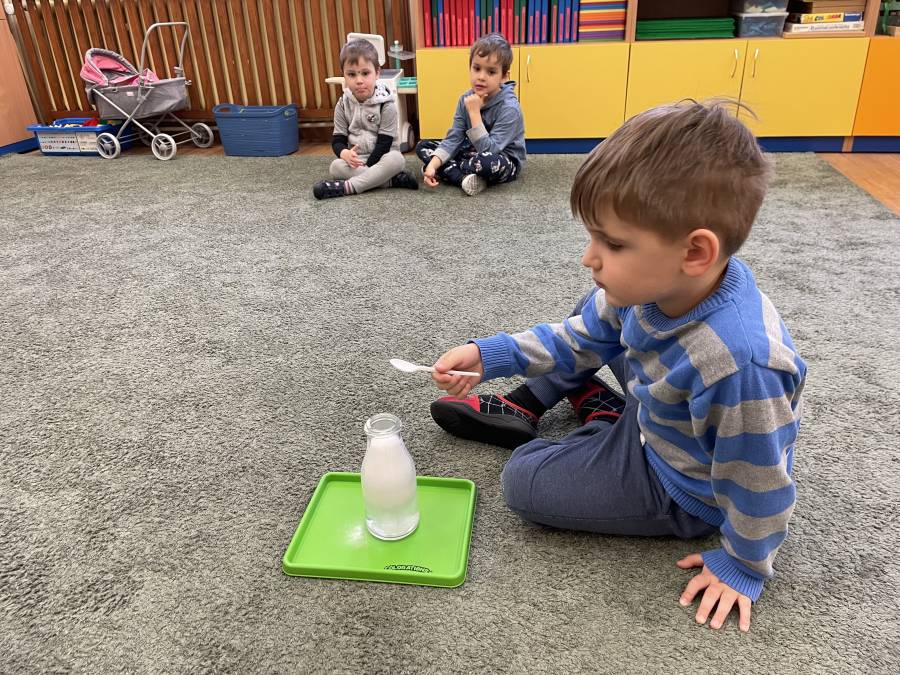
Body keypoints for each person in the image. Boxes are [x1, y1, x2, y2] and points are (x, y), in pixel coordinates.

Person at [428, 100, 806, 633]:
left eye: (612, 243)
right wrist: (492, 355)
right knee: (595, 311)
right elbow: (577, 337)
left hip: (680, 482)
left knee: (522, 481)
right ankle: (536, 402)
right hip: (664, 409)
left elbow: (758, 479)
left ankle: (602, 416)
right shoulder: (656, 288)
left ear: (695, 252)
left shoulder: (740, 368)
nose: (589, 256)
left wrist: (744, 565)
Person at [416, 33, 525, 197]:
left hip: (501, 159)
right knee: (423, 146)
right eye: (477, 68)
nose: (481, 77)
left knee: (486, 162)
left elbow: (490, 150)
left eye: (491, 72)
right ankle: (464, 178)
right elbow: (454, 138)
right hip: (471, 153)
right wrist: (433, 164)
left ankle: (452, 171)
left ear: (504, 77)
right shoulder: (465, 99)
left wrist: (474, 113)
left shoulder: (510, 108)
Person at [313, 39, 418, 200]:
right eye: (351, 74)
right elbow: (338, 140)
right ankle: (388, 181)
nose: (359, 80)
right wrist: (344, 153)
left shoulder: (387, 105)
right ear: (343, 75)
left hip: (383, 157)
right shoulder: (342, 104)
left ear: (377, 73)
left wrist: (369, 165)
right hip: (357, 160)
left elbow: (384, 144)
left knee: (397, 160)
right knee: (335, 167)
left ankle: (349, 187)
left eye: (365, 73)